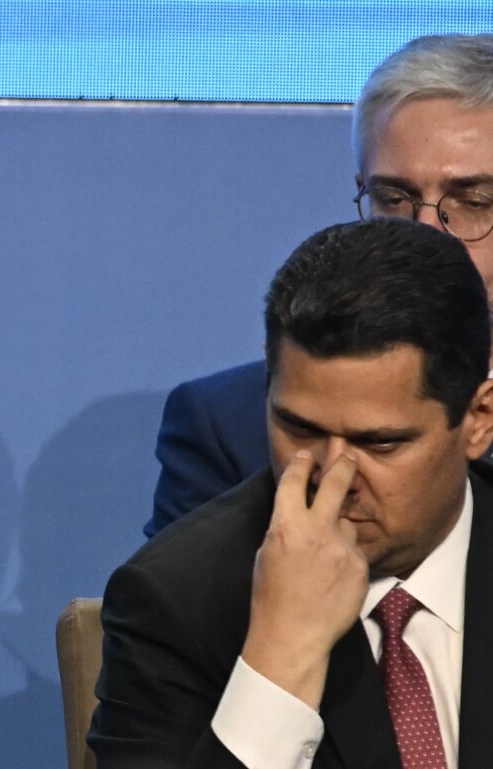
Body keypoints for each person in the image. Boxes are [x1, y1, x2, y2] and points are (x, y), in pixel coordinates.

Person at [88, 217, 493, 769]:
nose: (332, 477)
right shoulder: (179, 597)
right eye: (299, 429)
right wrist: (280, 657)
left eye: (381, 443)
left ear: (478, 420)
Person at [146, 32, 493, 537]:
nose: (425, 234)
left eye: (476, 202)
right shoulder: (228, 425)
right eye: (394, 198)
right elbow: (176, 588)